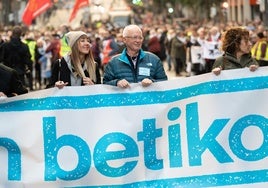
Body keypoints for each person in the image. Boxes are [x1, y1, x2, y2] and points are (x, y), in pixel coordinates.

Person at [103, 24, 167, 88]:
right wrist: (117, 82)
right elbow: (105, 84)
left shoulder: (154, 60)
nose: (138, 41)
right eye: (134, 37)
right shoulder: (114, 62)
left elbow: (164, 83)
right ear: (124, 39)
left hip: (147, 98)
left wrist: (152, 82)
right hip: (124, 98)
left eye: (140, 38)